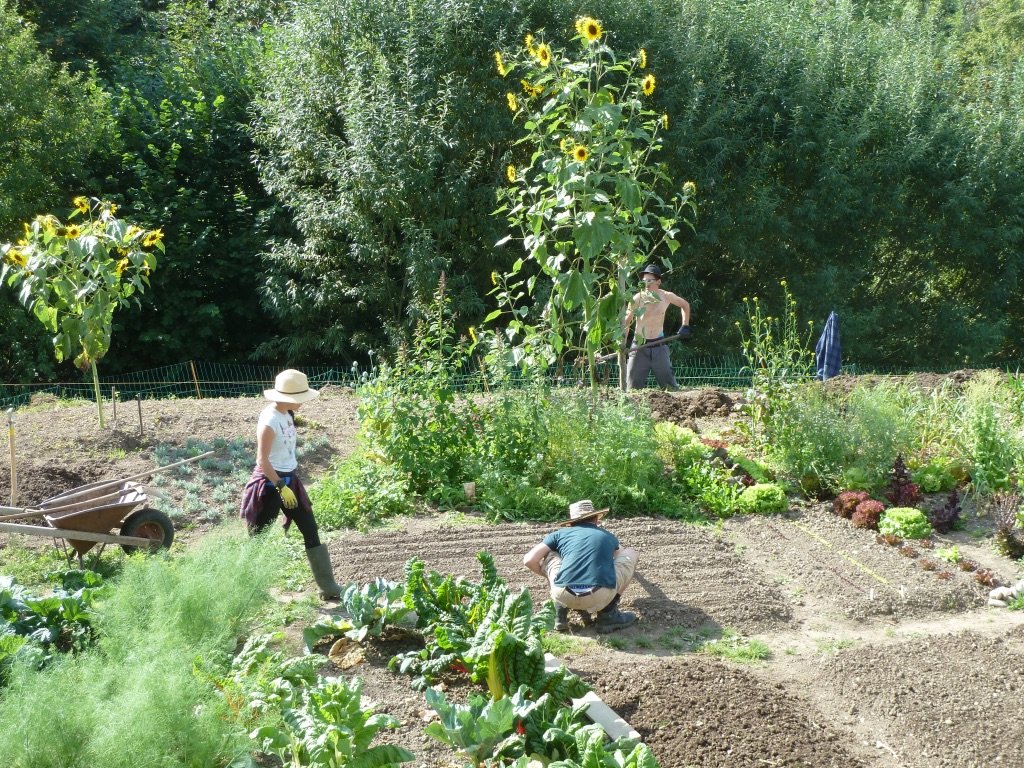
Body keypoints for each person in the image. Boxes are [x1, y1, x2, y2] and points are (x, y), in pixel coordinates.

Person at [239, 369, 342, 600]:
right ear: (287, 396)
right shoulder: (269, 420)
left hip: (289, 481)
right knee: (258, 540)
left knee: (310, 529)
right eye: (300, 398)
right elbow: (262, 460)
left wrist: (287, 484)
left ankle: (327, 586)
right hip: (269, 485)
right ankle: (247, 590)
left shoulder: (287, 413)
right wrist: (279, 486)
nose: (303, 403)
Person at [523, 499, 639, 633]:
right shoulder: (607, 536)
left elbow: (529, 560)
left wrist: (550, 576)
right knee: (630, 553)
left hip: (562, 594)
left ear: (571, 523)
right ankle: (608, 615)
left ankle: (559, 614)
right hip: (599, 596)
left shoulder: (558, 535)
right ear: (596, 519)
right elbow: (621, 556)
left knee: (551, 553)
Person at [623, 264, 691, 391]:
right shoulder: (637, 299)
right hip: (639, 347)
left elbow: (685, 305)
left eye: (650, 280)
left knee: (670, 388)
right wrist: (623, 343)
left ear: (658, 281)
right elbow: (626, 322)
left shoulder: (666, 296)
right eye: (644, 281)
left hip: (659, 345)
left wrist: (685, 325)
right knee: (632, 389)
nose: (646, 284)